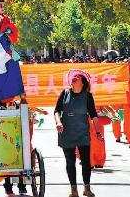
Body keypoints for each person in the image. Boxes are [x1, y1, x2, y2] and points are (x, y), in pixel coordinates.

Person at [54, 69, 102, 197]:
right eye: (73, 77)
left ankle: (87, 188)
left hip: (83, 133)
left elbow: (94, 115)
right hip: (66, 132)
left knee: (86, 162)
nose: (75, 78)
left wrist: (98, 132)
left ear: (83, 82)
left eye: (78, 77)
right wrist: (58, 122)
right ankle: (73, 189)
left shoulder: (88, 96)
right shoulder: (64, 93)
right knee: (70, 162)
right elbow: (57, 110)